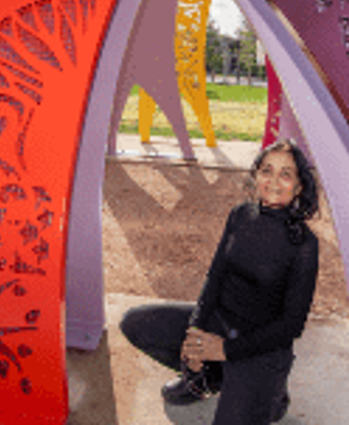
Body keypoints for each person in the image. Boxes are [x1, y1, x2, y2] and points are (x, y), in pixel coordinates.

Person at [119, 140, 320, 424]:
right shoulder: (240, 215)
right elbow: (215, 277)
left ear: (299, 186)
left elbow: (292, 325)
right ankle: (210, 378)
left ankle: (272, 394)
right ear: (256, 176)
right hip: (219, 323)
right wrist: (195, 332)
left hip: (260, 347)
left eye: (285, 174)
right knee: (135, 323)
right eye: (267, 170)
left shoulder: (304, 244)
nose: (273, 181)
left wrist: (223, 350)